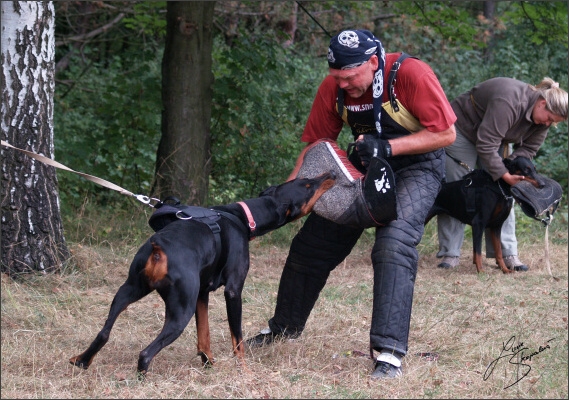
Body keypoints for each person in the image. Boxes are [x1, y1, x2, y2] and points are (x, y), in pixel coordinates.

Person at [246, 29, 456, 379]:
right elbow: (318, 145)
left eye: (349, 77)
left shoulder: (410, 74)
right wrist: (284, 196)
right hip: (363, 164)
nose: (342, 84)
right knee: (312, 244)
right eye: (336, 77)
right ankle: (283, 329)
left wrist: (390, 147)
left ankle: (388, 354)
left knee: (393, 244)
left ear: (373, 62)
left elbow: (446, 133)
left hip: (417, 168)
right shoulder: (335, 88)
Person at [436, 77, 568, 271]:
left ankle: (508, 254)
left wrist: (510, 171)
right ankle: (450, 253)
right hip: (462, 130)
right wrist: (504, 174)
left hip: (493, 139)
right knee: (457, 188)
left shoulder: (544, 121)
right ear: (542, 103)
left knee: (506, 192)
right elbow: (486, 143)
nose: (548, 123)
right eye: (549, 118)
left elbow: (528, 150)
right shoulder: (509, 102)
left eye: (553, 123)